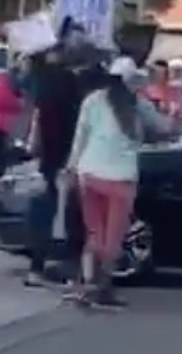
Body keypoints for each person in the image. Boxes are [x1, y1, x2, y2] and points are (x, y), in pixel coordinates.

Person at [63, 57, 172, 308]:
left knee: (94, 232)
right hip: (120, 179)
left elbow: (80, 137)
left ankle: (86, 286)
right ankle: (103, 289)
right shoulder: (137, 105)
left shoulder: (92, 101)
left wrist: (70, 168)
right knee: (113, 237)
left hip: (89, 173)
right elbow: (164, 128)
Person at [21, 18, 96, 289]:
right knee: (69, 214)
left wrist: (32, 147)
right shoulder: (73, 82)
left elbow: (36, 115)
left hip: (50, 156)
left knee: (45, 211)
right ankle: (68, 269)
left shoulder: (43, 78)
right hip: (67, 156)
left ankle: (37, 268)